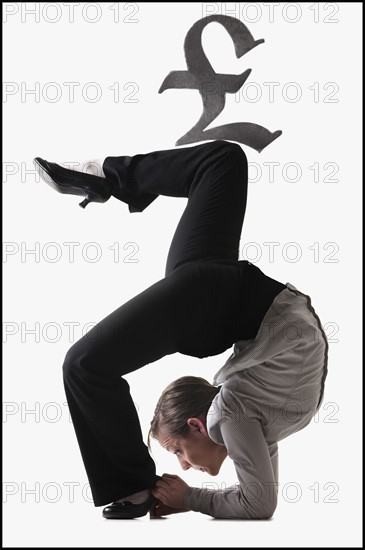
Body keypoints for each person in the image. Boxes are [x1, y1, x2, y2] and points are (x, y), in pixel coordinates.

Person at [33, 139, 328, 520]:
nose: (183, 466)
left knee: (84, 366)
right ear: (196, 426)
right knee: (223, 160)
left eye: (175, 453)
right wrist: (188, 499)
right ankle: (106, 176)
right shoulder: (239, 420)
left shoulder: (234, 417)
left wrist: (190, 499)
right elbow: (259, 502)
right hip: (220, 296)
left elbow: (254, 499)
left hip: (218, 300)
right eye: (176, 451)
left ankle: (131, 487)